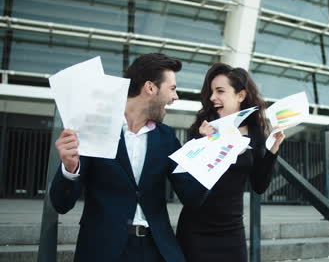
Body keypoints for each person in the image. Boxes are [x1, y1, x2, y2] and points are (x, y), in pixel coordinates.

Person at [50, 53, 207, 262]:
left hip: (156, 249)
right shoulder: (93, 129)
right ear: (150, 88)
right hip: (104, 250)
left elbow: (191, 196)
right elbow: (61, 204)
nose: (175, 97)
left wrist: (211, 153)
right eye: (172, 88)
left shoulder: (167, 137)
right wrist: (69, 168)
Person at [175, 63, 285, 262]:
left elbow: (259, 186)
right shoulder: (202, 129)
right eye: (211, 92)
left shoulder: (255, 133)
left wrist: (272, 151)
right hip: (196, 230)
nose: (212, 98)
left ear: (240, 96)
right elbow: (187, 185)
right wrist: (205, 144)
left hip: (231, 231)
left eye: (220, 91)